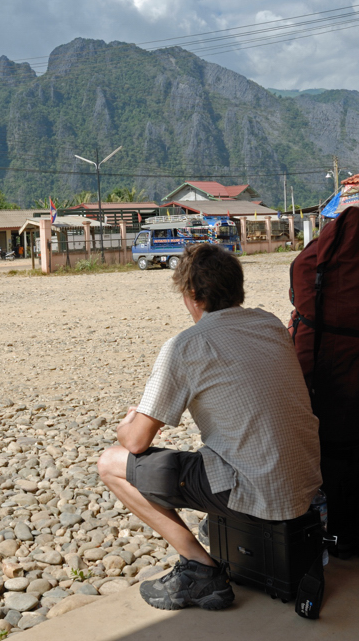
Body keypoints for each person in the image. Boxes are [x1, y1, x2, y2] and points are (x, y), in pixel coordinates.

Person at [98, 243, 321, 612]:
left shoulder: (186, 346)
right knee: (220, 449)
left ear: (192, 296)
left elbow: (136, 441)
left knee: (111, 463)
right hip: (306, 483)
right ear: (238, 288)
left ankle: (200, 571)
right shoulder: (269, 323)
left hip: (256, 490)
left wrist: (126, 424)